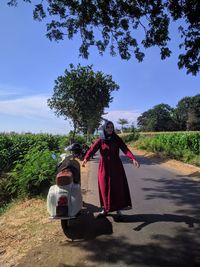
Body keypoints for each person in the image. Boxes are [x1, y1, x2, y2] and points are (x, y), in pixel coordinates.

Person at [82, 121, 140, 218]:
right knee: (104, 187)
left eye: (111, 127)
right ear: (104, 128)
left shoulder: (116, 139)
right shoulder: (100, 140)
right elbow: (92, 149)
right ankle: (105, 209)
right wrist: (85, 159)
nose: (110, 129)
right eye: (108, 127)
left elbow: (125, 149)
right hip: (104, 167)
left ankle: (118, 210)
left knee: (117, 188)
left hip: (116, 167)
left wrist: (133, 158)